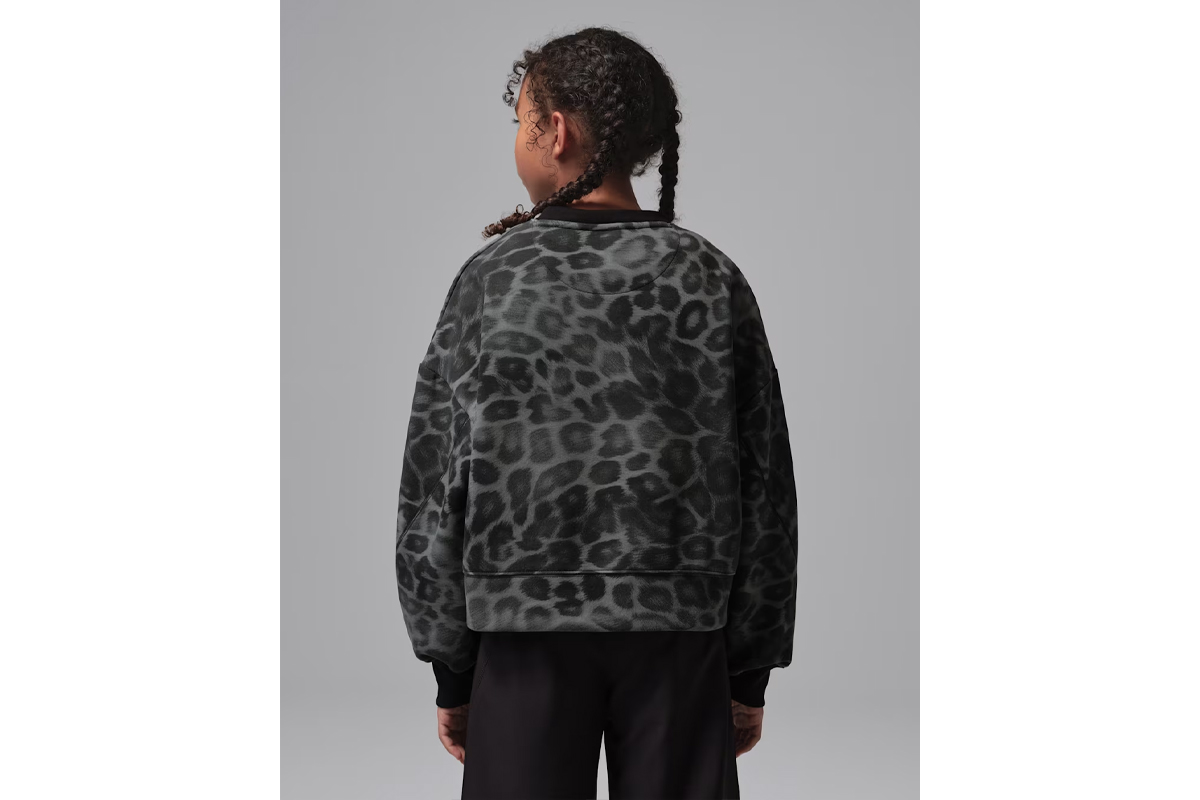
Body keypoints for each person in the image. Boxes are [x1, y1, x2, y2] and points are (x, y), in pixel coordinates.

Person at [394, 26, 799, 800]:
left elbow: (432, 485)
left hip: (522, 632)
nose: (518, 139)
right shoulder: (710, 278)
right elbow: (766, 488)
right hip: (680, 631)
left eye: (520, 120)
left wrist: (453, 667)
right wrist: (748, 667)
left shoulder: (491, 282)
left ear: (556, 132)